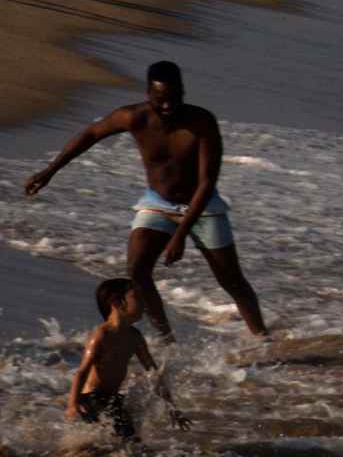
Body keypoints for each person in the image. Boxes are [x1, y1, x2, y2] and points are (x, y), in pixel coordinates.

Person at [25, 61, 270, 341]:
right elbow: (91, 133)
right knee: (137, 270)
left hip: (202, 206)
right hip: (158, 203)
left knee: (230, 279)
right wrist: (50, 170)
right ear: (148, 94)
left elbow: (206, 182)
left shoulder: (201, 122)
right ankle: (167, 339)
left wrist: (180, 234)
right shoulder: (133, 117)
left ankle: (262, 338)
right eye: (160, 100)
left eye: (173, 99)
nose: (167, 107)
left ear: (183, 91)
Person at [66, 278, 192, 439]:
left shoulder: (135, 337)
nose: (144, 302)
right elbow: (81, 372)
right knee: (127, 440)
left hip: (112, 399)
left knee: (125, 440)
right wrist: (72, 405)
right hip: (91, 399)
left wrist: (173, 408)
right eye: (137, 297)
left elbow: (154, 374)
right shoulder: (102, 335)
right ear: (117, 302)